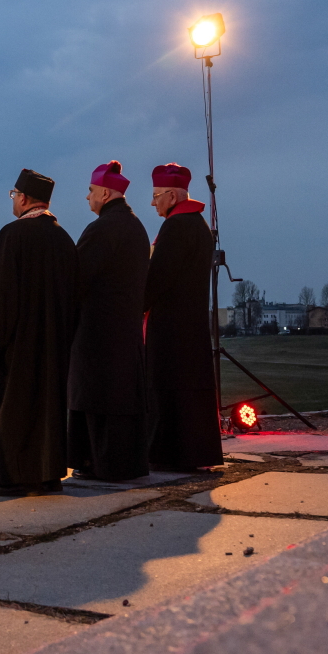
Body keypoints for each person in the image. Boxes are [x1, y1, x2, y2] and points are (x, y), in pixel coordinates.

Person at [0, 169, 79, 496]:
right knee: (49, 412)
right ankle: (48, 475)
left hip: (16, 350)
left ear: (24, 198)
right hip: (55, 347)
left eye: (13, 195)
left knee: (14, 412)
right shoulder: (63, 239)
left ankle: (14, 478)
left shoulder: (12, 235)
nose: (13, 201)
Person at [68, 161, 151, 481]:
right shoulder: (136, 226)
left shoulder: (101, 228)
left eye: (90, 191)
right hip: (126, 329)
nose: (87, 197)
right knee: (122, 399)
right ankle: (126, 463)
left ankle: (94, 462)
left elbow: (76, 277)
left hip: (97, 333)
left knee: (96, 399)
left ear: (104, 192)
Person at [145, 163, 223, 471]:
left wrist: (136, 303)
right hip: (191, 323)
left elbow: (157, 277)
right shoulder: (198, 225)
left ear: (174, 196)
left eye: (156, 196)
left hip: (170, 327)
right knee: (191, 390)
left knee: (168, 390)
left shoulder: (175, 228)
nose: (153, 203)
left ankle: (168, 454)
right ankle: (194, 452)